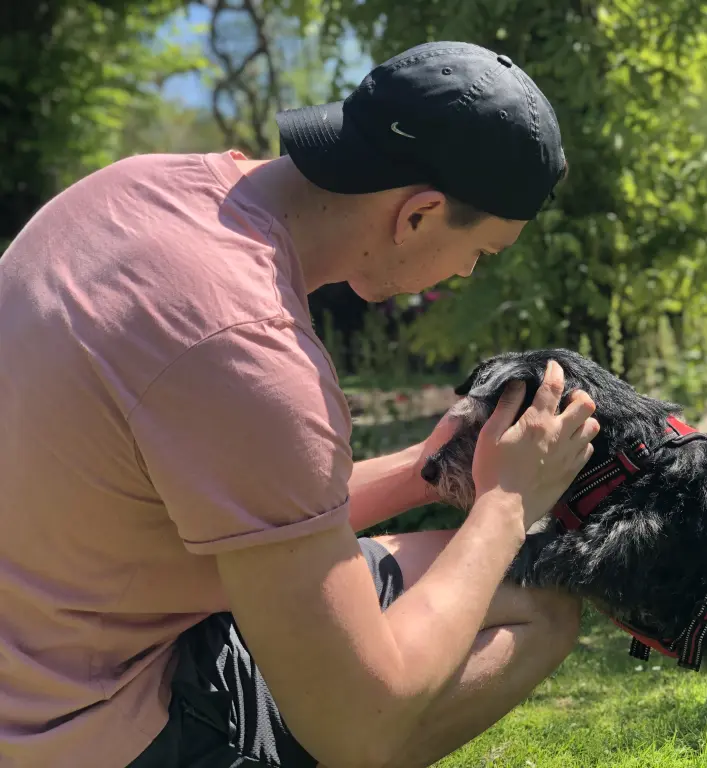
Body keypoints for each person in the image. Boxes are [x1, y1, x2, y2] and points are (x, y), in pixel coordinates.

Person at [0, 41, 599, 768]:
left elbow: (247, 499)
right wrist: (506, 504)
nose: (468, 272)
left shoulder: (132, 193)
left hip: (46, 655)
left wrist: (424, 468)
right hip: (90, 728)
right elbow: (359, 730)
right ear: (419, 215)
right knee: (512, 615)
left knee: (533, 590)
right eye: (483, 253)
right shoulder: (249, 351)